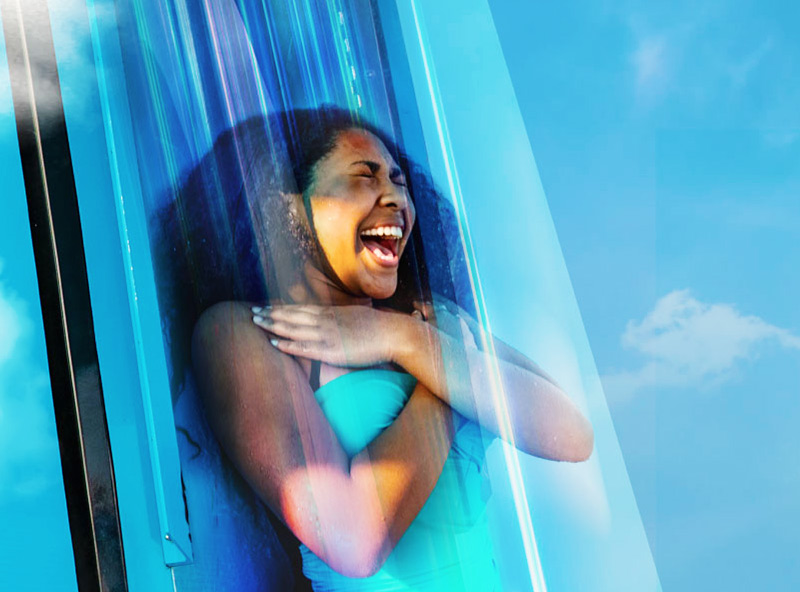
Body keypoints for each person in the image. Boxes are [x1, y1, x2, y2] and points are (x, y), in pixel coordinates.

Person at [157, 105, 593, 591]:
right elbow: (352, 537)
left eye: (399, 180)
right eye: (365, 175)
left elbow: (571, 435)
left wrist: (405, 339)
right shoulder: (244, 333)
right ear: (290, 206)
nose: (395, 197)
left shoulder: (430, 321)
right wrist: (441, 377)